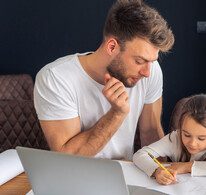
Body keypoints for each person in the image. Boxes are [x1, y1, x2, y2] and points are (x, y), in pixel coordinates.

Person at [34, 0, 174, 160]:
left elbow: (151, 134)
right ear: (112, 47)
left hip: (126, 175)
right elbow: (68, 158)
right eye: (139, 61)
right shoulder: (55, 78)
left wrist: (160, 175)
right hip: (76, 178)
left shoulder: (150, 70)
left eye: (152, 61)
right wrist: (116, 114)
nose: (147, 72)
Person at [133, 94, 206, 185]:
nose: (192, 143)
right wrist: (156, 170)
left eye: (201, 138)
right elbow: (140, 155)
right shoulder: (175, 138)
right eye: (187, 135)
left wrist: (187, 167)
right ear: (180, 127)